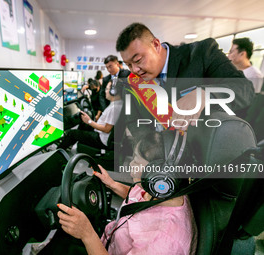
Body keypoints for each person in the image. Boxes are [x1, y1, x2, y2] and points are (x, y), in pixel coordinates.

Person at [57, 131, 197, 254]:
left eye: (136, 161)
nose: (130, 165)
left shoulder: (163, 242)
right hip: (109, 240)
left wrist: (87, 234)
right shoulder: (164, 192)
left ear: (158, 175)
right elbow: (138, 199)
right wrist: (112, 184)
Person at [115, 23, 254, 132]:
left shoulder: (200, 54)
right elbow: (133, 121)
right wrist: (145, 149)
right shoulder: (134, 81)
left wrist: (204, 94)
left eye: (138, 60)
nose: (135, 69)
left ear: (156, 45)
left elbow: (244, 88)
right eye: (128, 65)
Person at [58, 81, 123, 150]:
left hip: (101, 139)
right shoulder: (118, 103)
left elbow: (106, 129)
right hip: (102, 135)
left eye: (107, 89)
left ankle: (58, 153)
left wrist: (89, 121)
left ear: (113, 92)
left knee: (72, 133)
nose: (105, 91)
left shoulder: (114, 108)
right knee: (83, 124)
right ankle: (68, 143)